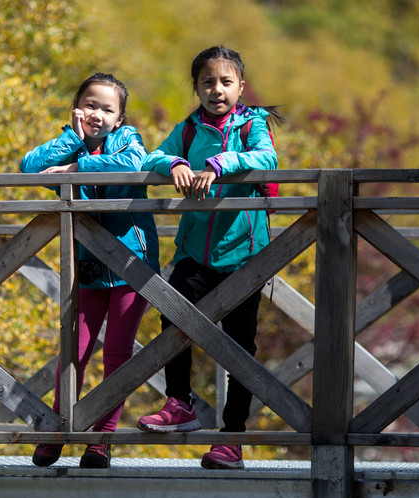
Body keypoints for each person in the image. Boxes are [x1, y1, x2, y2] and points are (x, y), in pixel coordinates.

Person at [137, 46, 279, 470]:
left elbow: (266, 158)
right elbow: (152, 156)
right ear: (196, 87)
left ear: (240, 85)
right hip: (194, 252)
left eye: (225, 82)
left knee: (240, 349)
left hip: (244, 257)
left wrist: (220, 162)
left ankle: (231, 439)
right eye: (207, 82)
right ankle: (179, 405)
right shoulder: (188, 128)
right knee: (173, 318)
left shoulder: (254, 123)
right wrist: (177, 163)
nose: (216, 90)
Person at [20, 72, 159, 469]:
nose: (97, 113)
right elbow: (29, 167)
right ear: (77, 107)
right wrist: (73, 143)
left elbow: (133, 163)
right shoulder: (68, 145)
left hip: (132, 263)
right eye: (90, 104)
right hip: (91, 265)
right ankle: (58, 431)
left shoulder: (128, 140)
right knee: (73, 351)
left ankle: (101, 439)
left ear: (120, 116)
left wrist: (76, 167)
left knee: (116, 353)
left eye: (107, 108)